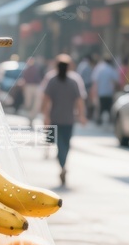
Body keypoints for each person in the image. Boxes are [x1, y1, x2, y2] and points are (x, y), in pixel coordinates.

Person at [41, 55, 87, 186]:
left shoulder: (52, 80)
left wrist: (45, 115)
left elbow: (45, 99)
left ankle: (62, 165)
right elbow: (79, 101)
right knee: (65, 145)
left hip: (55, 118)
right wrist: (81, 116)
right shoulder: (73, 82)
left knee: (59, 145)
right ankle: (63, 165)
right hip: (68, 120)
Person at [91, 56, 119, 126]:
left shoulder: (99, 69)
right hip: (109, 92)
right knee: (109, 108)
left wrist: (94, 92)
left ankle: (99, 119)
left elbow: (95, 81)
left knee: (100, 108)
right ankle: (110, 120)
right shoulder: (111, 69)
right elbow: (116, 81)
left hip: (101, 92)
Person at [21, 56, 45, 122]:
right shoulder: (26, 69)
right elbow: (24, 79)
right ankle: (29, 115)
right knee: (28, 102)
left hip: (36, 86)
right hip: (28, 86)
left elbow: (42, 76)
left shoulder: (37, 68)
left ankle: (32, 117)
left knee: (36, 103)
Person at [76, 54, 95, 120]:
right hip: (86, 85)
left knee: (83, 100)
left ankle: (81, 114)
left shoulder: (81, 65)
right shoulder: (87, 66)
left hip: (82, 84)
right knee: (85, 100)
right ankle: (84, 115)